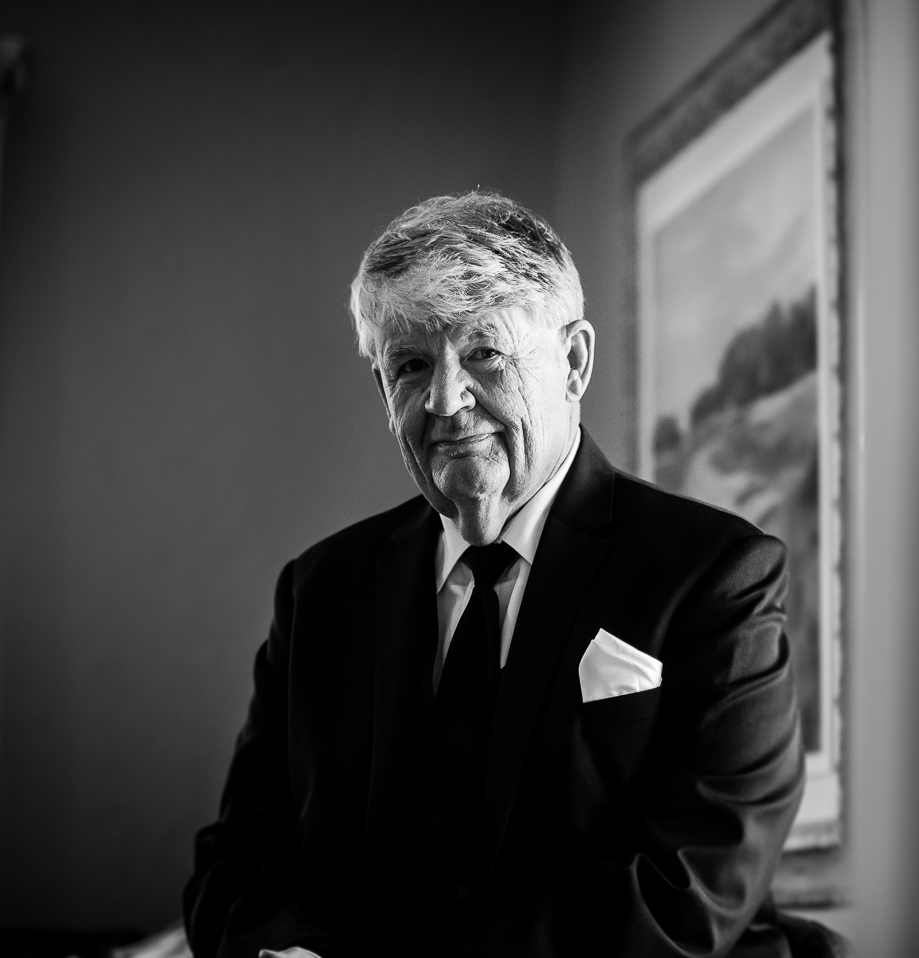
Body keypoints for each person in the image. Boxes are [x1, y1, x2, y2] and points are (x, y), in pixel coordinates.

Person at [182, 190, 805, 958]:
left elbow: (697, 881)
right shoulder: (320, 594)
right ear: (383, 389)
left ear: (574, 362)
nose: (445, 399)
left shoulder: (715, 576)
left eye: (484, 352)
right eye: (410, 364)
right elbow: (237, 863)